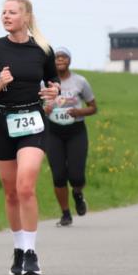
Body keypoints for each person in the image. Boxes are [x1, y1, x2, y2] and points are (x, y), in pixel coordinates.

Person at [0, 0, 59, 275]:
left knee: (25, 185)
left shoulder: (42, 50)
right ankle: (19, 248)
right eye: (3, 13)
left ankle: (32, 252)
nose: (6, 17)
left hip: (33, 120)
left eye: (12, 12)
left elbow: (53, 82)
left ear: (26, 17)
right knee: (11, 192)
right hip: (2, 121)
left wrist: (54, 93)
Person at [43, 47, 97, 225]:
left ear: (70, 60)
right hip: (53, 132)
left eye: (63, 57)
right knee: (58, 176)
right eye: (57, 57)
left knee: (76, 176)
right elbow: (35, 106)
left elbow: (93, 107)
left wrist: (79, 111)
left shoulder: (80, 81)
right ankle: (65, 213)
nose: (59, 59)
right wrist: (45, 109)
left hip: (76, 131)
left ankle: (77, 193)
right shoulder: (44, 83)